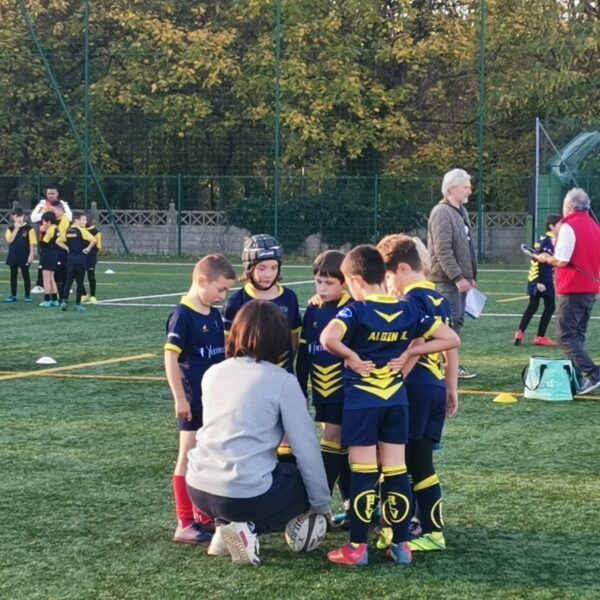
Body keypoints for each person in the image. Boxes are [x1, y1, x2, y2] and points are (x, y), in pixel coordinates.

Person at [320, 245, 460, 567]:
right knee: (397, 470)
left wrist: (352, 357)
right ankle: (401, 546)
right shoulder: (408, 310)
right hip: (397, 401)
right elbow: (451, 338)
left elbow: (329, 338)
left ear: (355, 281)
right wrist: (411, 353)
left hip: (363, 403)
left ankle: (357, 547)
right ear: (384, 276)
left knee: (364, 472)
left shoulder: (355, 312)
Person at [186, 300, 331, 566]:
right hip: (241, 494)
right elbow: (306, 449)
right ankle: (246, 529)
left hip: (197, 488)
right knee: (298, 481)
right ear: (280, 340)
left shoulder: (213, 373)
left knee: (241, 471)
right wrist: (321, 505)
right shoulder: (282, 380)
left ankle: (223, 528)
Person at [377, 234, 459, 553]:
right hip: (435, 386)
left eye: (386, 277)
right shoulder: (440, 299)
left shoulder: (410, 302)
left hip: (414, 388)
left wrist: (393, 383)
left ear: (400, 269)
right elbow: (451, 348)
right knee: (421, 460)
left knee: (402, 462)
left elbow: (412, 348)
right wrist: (451, 387)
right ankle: (427, 527)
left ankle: (415, 526)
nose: (387, 284)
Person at [164, 255, 237, 544]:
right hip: (192, 399)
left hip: (214, 401)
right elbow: (170, 358)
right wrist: (179, 397)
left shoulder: (213, 314)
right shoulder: (183, 315)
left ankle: (202, 516)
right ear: (201, 281)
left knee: (207, 456)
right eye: (220, 290)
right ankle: (184, 522)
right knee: (188, 455)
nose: (223, 296)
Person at [223, 234, 302, 462]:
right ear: (249, 268)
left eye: (273, 267)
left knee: (287, 430)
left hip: (283, 375)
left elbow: (294, 338)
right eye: (262, 268)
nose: (268, 274)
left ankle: (285, 476)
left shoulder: (289, 298)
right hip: (249, 381)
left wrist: (284, 366)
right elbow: (230, 346)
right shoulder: (236, 302)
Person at [296, 251, 352, 523]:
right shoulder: (314, 310)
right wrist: (300, 390)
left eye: (329, 283)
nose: (322, 288)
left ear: (345, 282)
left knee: (332, 444)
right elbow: (304, 356)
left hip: (347, 391)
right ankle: (353, 506)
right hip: (322, 391)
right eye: (318, 282)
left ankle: (319, 508)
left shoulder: (353, 308)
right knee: (339, 449)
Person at [536, 188, 600, 395]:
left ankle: (593, 373)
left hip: (572, 287)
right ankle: (579, 377)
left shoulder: (568, 226)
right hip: (590, 287)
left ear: (570, 206)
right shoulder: (593, 225)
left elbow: (562, 260)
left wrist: (545, 258)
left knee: (564, 335)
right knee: (577, 334)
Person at [427, 168, 478, 379]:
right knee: (447, 325)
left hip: (460, 281)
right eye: (465, 187)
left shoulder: (460, 211)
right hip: (447, 281)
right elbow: (442, 250)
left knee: (457, 322)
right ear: (451, 189)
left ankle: (450, 365)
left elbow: (466, 247)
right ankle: (443, 367)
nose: (470, 191)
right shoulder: (441, 212)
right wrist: (457, 277)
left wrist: (470, 276)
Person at [513, 215, 562, 347]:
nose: (562, 226)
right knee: (549, 306)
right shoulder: (548, 240)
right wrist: (539, 281)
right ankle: (540, 337)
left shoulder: (547, 239)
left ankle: (520, 334)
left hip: (537, 278)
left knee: (533, 306)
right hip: (542, 279)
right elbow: (537, 260)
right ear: (552, 226)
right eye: (560, 224)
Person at [30, 186, 72, 294]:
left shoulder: (63, 204)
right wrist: (46, 213)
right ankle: (40, 285)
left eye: (53, 193)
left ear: (57, 194)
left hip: (60, 241)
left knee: (61, 264)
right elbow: (33, 218)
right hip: (45, 239)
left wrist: (55, 213)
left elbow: (69, 217)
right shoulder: (42, 204)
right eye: (48, 193)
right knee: (44, 263)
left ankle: (63, 286)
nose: (50, 196)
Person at [57, 212, 97, 312]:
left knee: (69, 281)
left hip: (70, 258)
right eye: (83, 220)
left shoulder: (67, 231)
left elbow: (58, 241)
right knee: (80, 282)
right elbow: (94, 240)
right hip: (80, 258)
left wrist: (67, 248)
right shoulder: (82, 231)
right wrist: (88, 249)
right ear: (76, 220)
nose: (85, 222)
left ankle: (64, 301)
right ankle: (78, 304)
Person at [4, 206, 36, 303]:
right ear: (13, 217)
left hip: (24, 255)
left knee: (26, 275)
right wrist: (16, 229)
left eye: (20, 216)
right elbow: (10, 240)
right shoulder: (10, 229)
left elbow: (32, 244)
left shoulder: (29, 229)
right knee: (13, 275)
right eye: (16, 216)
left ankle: (27, 295)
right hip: (13, 255)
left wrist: (31, 255)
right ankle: (13, 295)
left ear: (24, 216)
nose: (18, 218)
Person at [38, 211, 60, 308]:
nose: (43, 223)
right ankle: (55, 300)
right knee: (52, 278)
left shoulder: (50, 230)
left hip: (47, 255)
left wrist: (42, 232)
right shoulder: (56, 228)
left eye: (43, 221)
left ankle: (47, 300)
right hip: (54, 254)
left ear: (48, 222)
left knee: (46, 279)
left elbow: (43, 243)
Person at [51, 200, 71, 301]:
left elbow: (59, 234)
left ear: (59, 209)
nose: (52, 212)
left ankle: (63, 296)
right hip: (56, 250)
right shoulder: (56, 219)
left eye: (53, 210)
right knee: (57, 274)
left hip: (62, 251)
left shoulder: (65, 219)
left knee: (62, 274)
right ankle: (60, 295)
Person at [81, 213, 102, 304]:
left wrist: (93, 255)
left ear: (92, 220)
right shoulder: (80, 229)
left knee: (91, 276)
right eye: (84, 219)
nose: (86, 221)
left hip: (91, 256)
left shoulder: (96, 231)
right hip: (80, 256)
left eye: (88, 219)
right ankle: (84, 294)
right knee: (79, 276)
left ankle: (93, 295)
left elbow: (98, 246)